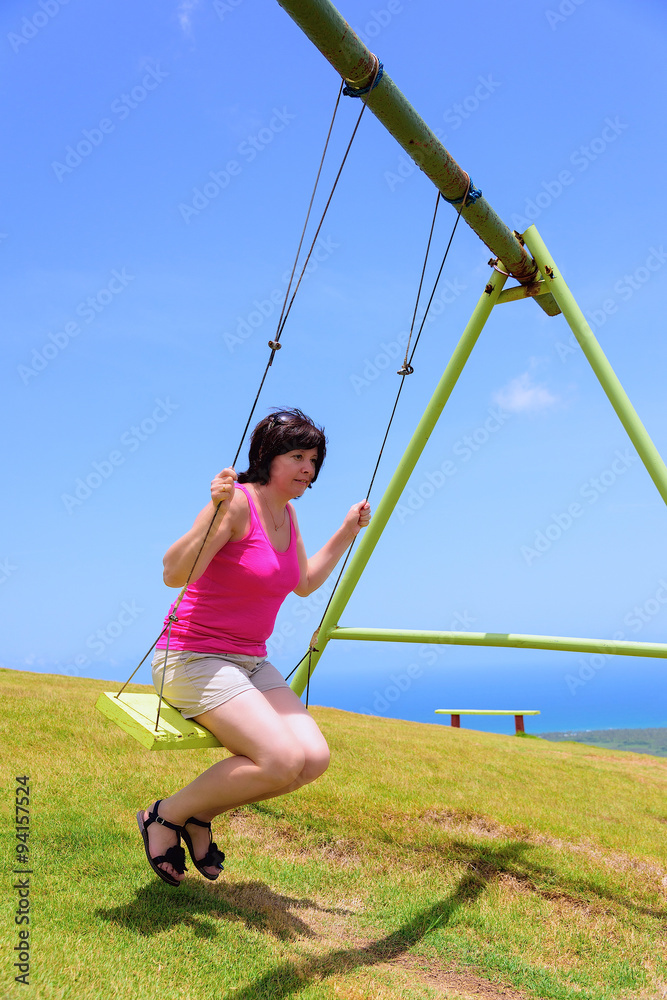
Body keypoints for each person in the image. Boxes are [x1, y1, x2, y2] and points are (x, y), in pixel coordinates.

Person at [137, 408, 371, 886]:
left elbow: (303, 583)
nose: (308, 467)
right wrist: (213, 510)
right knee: (280, 759)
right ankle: (164, 816)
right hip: (191, 655)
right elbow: (172, 573)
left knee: (312, 760)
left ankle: (199, 817)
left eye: (314, 459)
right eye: (297, 456)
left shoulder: (288, 514)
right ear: (268, 456)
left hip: (249, 660)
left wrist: (348, 530)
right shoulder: (237, 503)